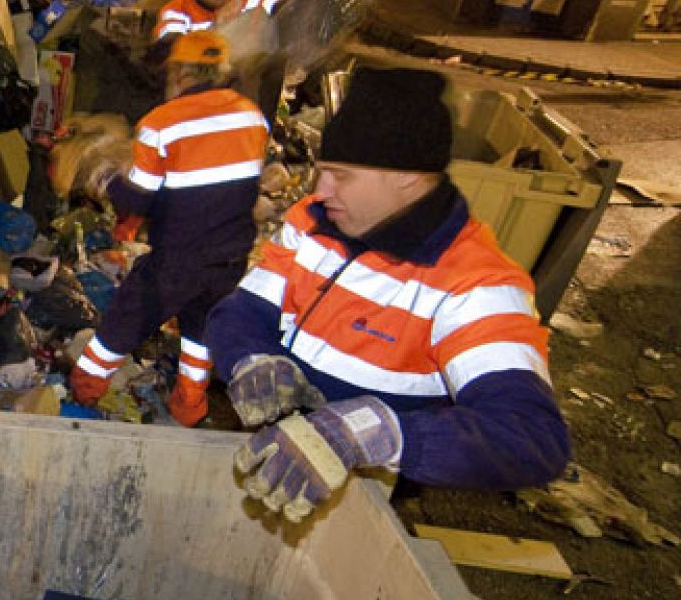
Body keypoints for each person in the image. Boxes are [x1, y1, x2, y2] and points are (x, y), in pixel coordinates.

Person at [207, 67, 570, 521]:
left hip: (364, 492)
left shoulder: (475, 286)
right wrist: (253, 358)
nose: (320, 190)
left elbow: (530, 438)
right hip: (278, 452)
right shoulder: (313, 223)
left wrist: (369, 432)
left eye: (342, 175)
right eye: (323, 172)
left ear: (407, 177)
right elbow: (243, 310)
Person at [69, 30, 269, 426]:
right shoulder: (252, 115)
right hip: (230, 258)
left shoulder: (161, 123)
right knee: (199, 335)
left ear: (178, 74)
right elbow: (213, 179)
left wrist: (103, 176)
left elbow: (139, 200)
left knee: (123, 323)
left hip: (179, 259)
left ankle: (82, 391)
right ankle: (190, 408)